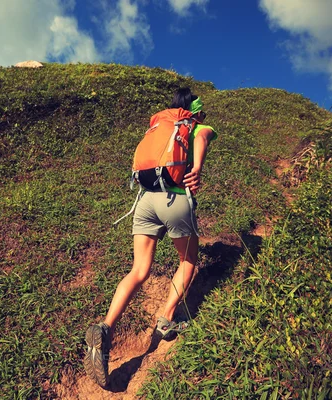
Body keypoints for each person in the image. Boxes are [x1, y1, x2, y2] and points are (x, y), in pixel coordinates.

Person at [84, 88, 217, 388]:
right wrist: (196, 168)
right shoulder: (195, 126)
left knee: (139, 270)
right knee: (189, 262)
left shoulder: (160, 123)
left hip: (145, 201)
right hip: (175, 198)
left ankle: (105, 329)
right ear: (195, 112)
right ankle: (166, 318)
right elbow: (203, 138)